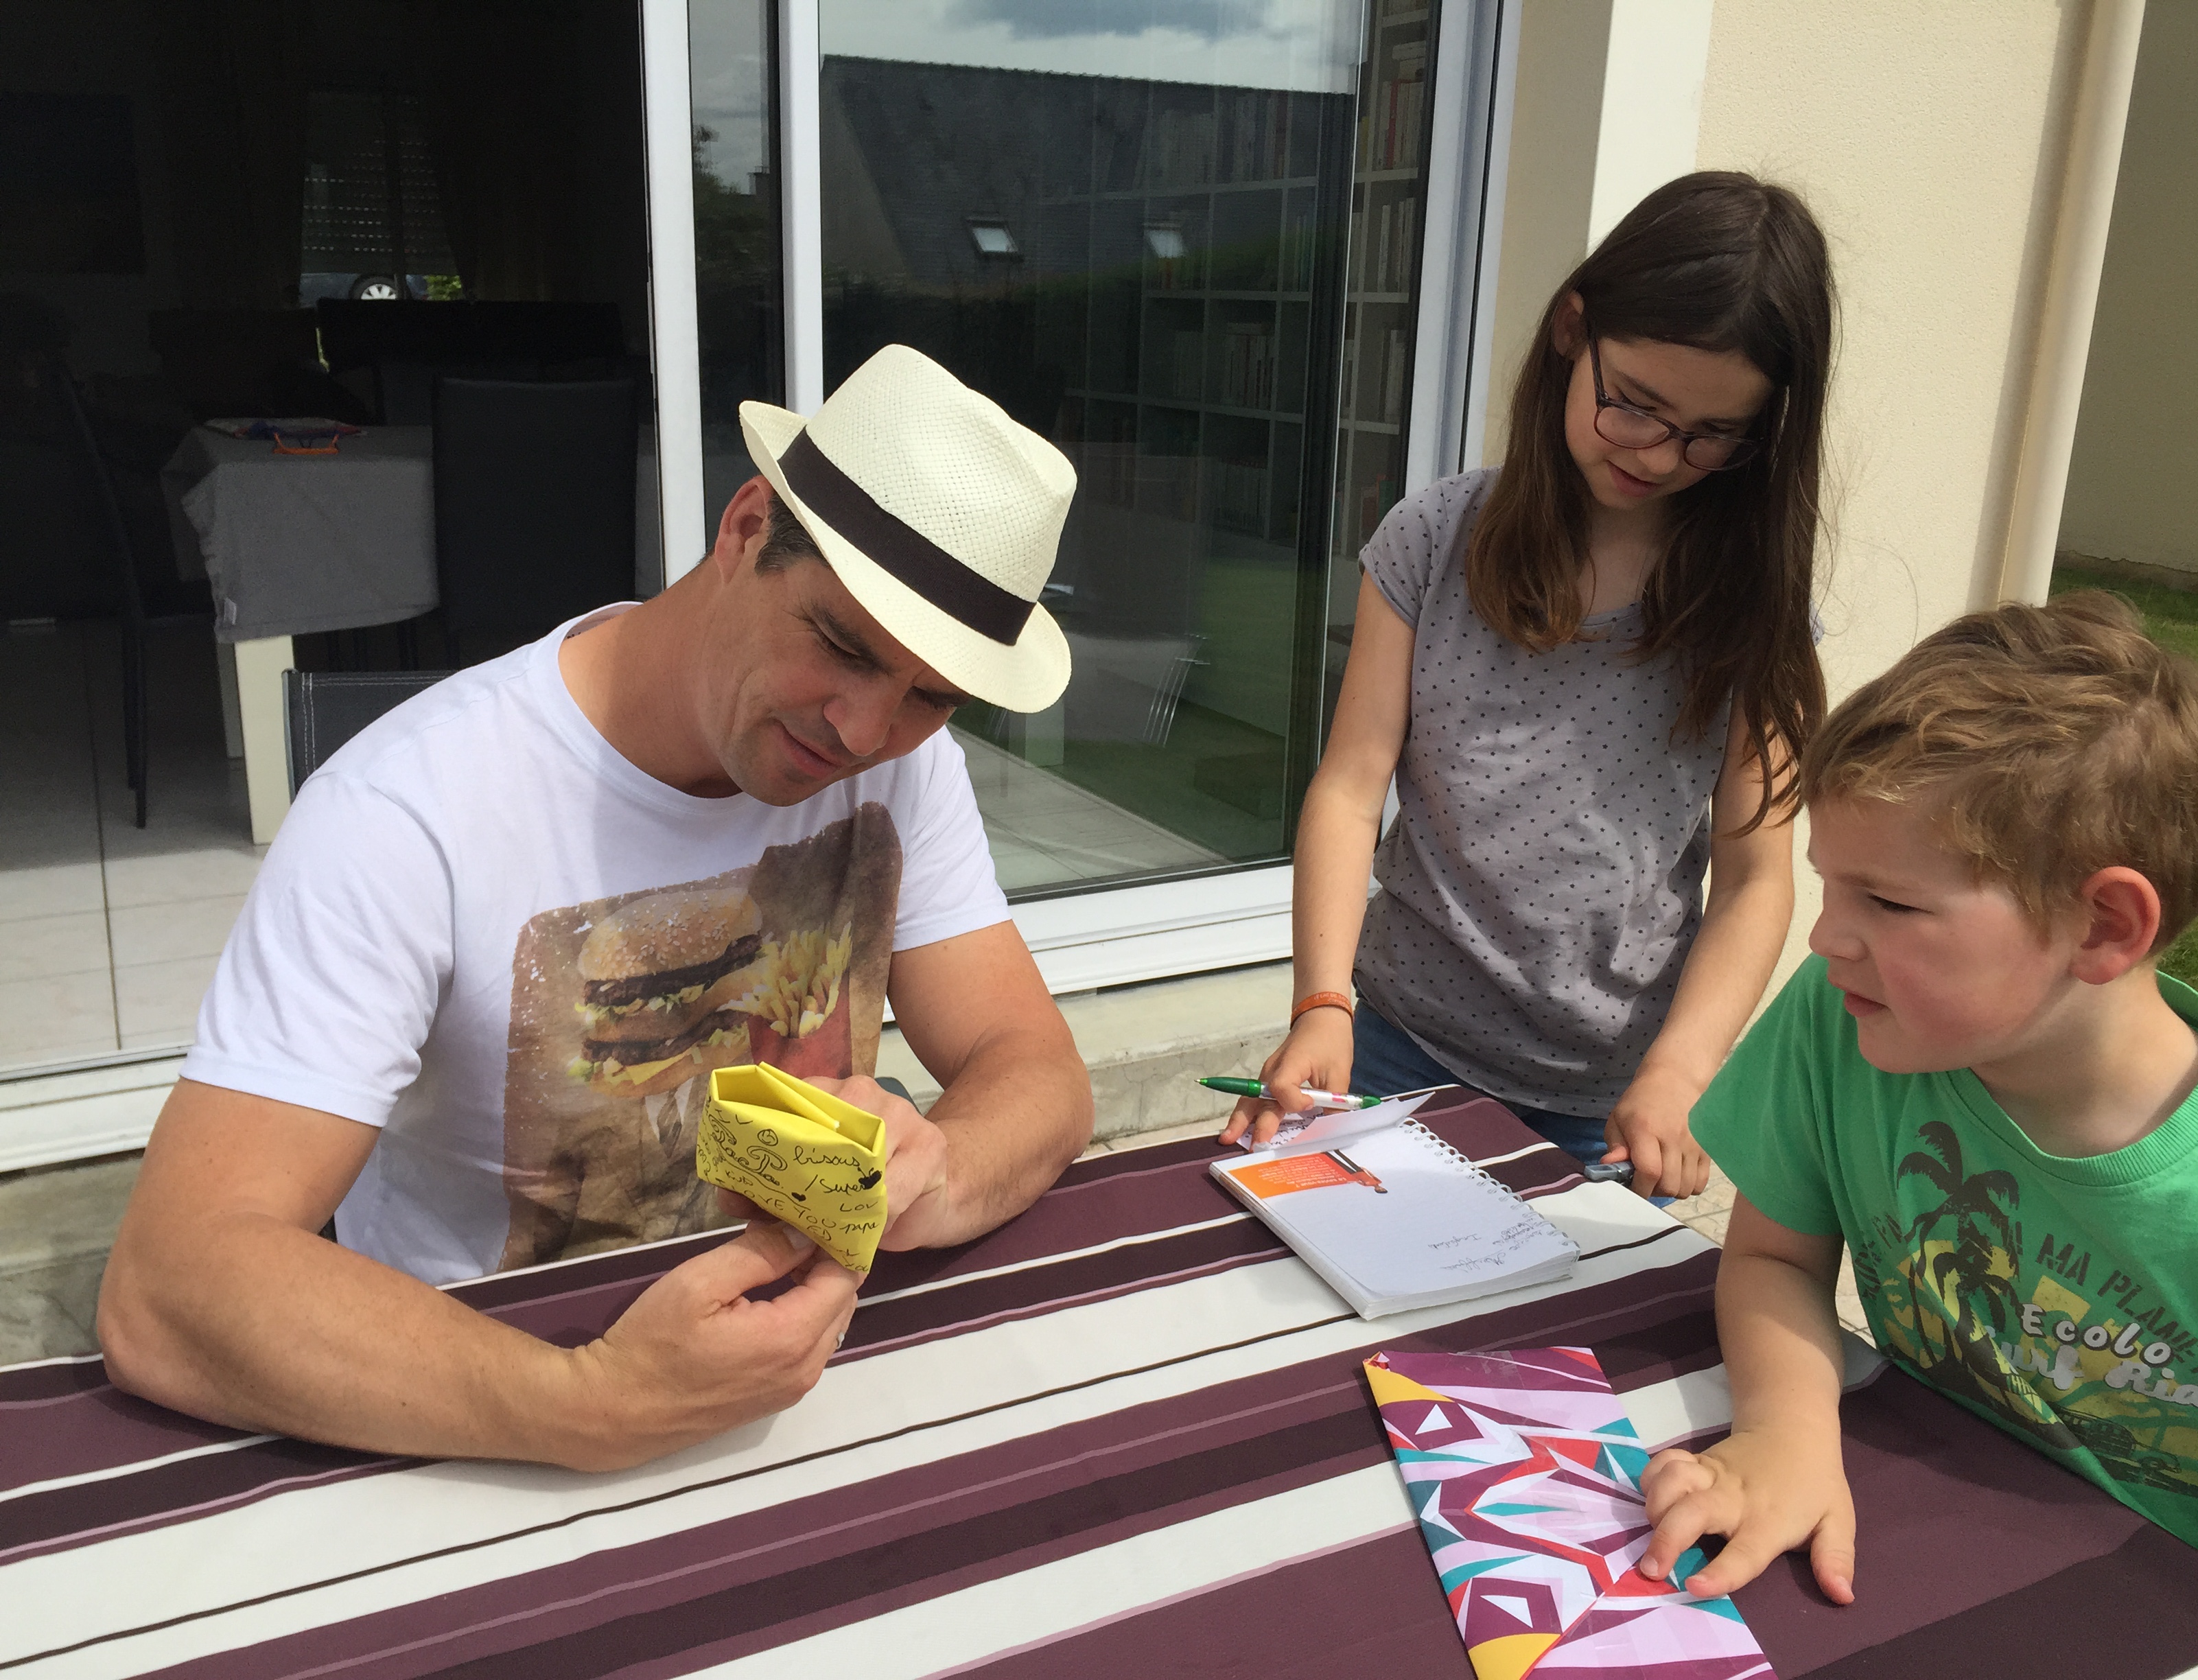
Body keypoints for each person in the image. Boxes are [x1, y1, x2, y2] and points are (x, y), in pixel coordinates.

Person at [97, 345, 1095, 1471]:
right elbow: (168, 1286)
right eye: (839, 644)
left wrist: (940, 1169)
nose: (864, 732)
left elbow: (1037, 1069)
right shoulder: (411, 810)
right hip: (482, 1407)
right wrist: (591, 1404)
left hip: (797, 1377)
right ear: (746, 529)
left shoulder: (908, 770)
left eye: (930, 696)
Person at [1224, 172, 1833, 1198]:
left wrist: (1683, 1072)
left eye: (1711, 433)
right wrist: (1322, 1004)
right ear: (1572, 331)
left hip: (1613, 1093)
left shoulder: (1754, 605)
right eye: (1635, 405)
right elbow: (1350, 786)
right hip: (1398, 1045)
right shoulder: (1433, 540)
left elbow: (1756, 879)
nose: (1661, 456)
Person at [1641, 592, 2198, 1594]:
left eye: (1888, 901)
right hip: (1921, 1541)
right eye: (1830, 884)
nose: (1825, 938)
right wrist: (1787, 1434)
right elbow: (1775, 1257)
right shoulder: (1842, 1018)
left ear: (2102, 927)